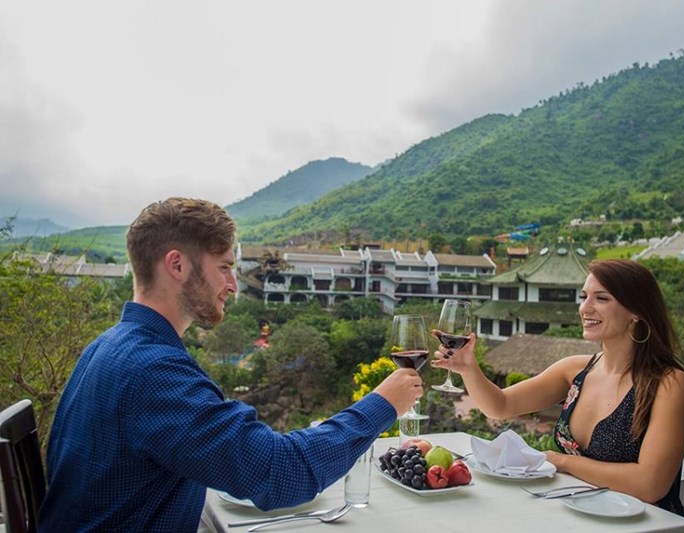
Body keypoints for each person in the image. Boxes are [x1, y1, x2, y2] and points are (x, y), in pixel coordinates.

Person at [38, 197, 422, 532]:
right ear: (177, 265)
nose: (234, 284)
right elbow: (281, 474)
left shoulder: (108, 347)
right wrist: (382, 404)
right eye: (223, 267)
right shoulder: (154, 373)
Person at [431, 258, 684, 514]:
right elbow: (501, 405)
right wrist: (469, 369)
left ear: (636, 312)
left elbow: (650, 485)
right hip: (581, 511)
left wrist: (562, 461)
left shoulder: (667, 383)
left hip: (648, 524)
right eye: (584, 297)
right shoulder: (575, 370)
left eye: (601, 298)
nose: (585, 309)